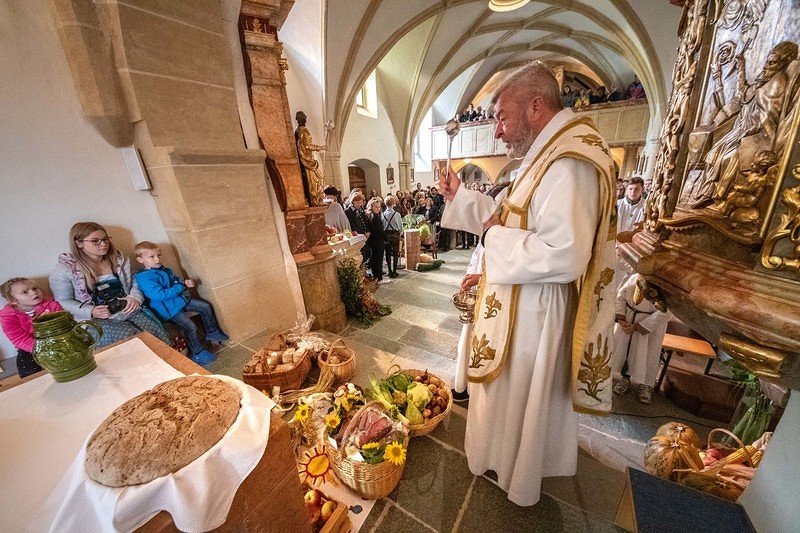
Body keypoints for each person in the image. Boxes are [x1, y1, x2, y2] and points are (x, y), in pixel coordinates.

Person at [438, 62, 616, 506]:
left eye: (501, 116)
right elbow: (509, 218)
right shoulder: (543, 157)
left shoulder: (570, 161)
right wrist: (461, 199)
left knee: (519, 397)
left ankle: (518, 475)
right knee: (506, 396)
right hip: (518, 300)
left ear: (535, 106)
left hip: (535, 309)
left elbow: (565, 252)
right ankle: (500, 460)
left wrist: (494, 238)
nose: (497, 130)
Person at [50, 222, 170, 349]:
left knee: (152, 330)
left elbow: (135, 280)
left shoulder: (119, 259)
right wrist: (91, 311)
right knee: (127, 336)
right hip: (94, 319)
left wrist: (134, 297)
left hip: (126, 309)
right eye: (95, 241)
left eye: (105, 239)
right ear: (79, 243)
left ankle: (170, 359)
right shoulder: (65, 269)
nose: (103, 244)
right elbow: (63, 301)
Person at [134, 242, 228, 365]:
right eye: (151, 257)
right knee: (190, 326)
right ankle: (198, 353)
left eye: (159, 255)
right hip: (168, 310)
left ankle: (212, 332)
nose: (157, 259)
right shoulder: (145, 278)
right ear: (141, 259)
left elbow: (175, 280)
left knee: (205, 306)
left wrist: (185, 282)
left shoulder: (165, 269)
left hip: (179, 301)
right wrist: (180, 287)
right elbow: (160, 295)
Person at [611, 274, 671, 405]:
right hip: (628, 321)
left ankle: (646, 384)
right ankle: (625, 378)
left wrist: (638, 326)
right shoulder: (634, 277)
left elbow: (667, 312)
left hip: (649, 327)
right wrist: (621, 319)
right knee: (626, 352)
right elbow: (620, 296)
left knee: (648, 355)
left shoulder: (666, 286)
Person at [0, 278, 63, 377]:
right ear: (12, 301)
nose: (33, 292)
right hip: (29, 347)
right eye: (25, 292)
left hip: (55, 340)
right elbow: (19, 339)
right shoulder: (8, 316)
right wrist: (40, 349)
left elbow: (62, 325)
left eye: (34, 288)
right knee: (28, 370)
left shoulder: (52, 305)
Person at [295, 111, 326, 206]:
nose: (306, 118)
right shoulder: (304, 131)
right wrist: (320, 147)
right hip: (307, 160)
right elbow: (308, 146)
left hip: (303, 159)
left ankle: (313, 199)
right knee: (316, 180)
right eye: (304, 117)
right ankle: (315, 199)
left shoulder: (297, 130)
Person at [365, 197, 387, 283]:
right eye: (376, 207)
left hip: (373, 241)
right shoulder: (374, 217)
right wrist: (386, 238)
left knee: (375, 259)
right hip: (377, 241)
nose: (378, 209)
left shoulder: (371, 215)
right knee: (378, 260)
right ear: (371, 207)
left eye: (379, 207)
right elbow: (379, 230)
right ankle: (379, 278)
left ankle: (376, 277)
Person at [382, 196, 403, 278]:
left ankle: (389, 270)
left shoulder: (382, 214)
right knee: (395, 253)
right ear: (393, 203)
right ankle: (394, 271)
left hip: (386, 235)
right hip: (395, 235)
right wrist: (400, 234)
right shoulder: (396, 214)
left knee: (387, 253)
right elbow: (400, 227)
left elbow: (382, 226)